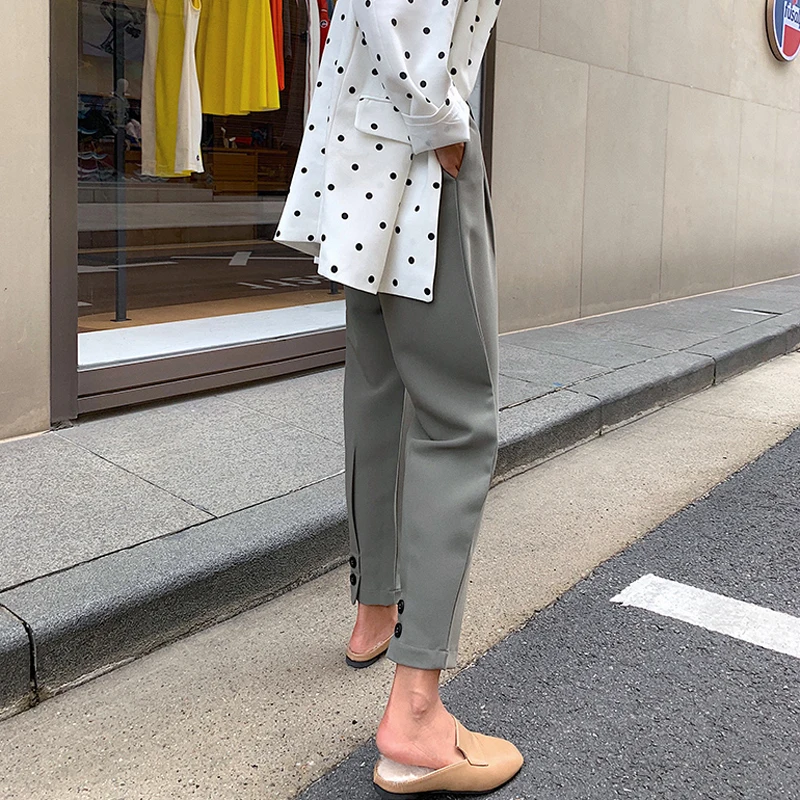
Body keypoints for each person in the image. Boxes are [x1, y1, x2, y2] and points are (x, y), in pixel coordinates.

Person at [275, 1, 523, 796]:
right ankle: (416, 715)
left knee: (377, 391)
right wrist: (445, 125)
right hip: (418, 151)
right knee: (458, 422)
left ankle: (375, 609)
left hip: (357, 149)